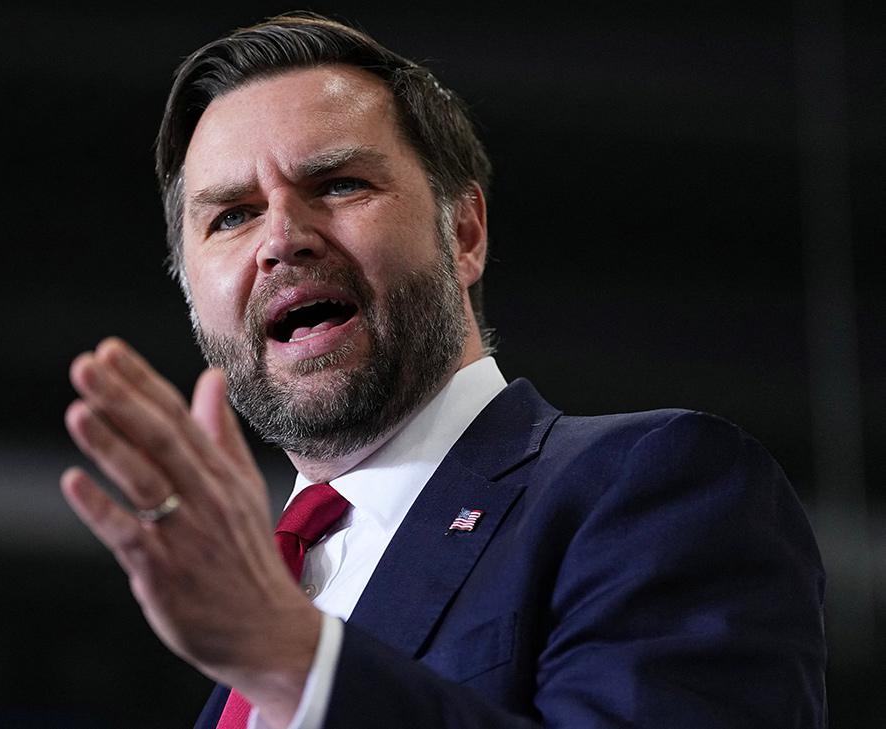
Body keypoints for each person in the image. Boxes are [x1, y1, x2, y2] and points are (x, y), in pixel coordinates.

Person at [61, 13, 827, 729]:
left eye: (338, 184)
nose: (282, 238)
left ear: (463, 232)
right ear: (192, 293)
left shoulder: (655, 490)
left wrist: (295, 658)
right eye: (232, 215)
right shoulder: (242, 636)